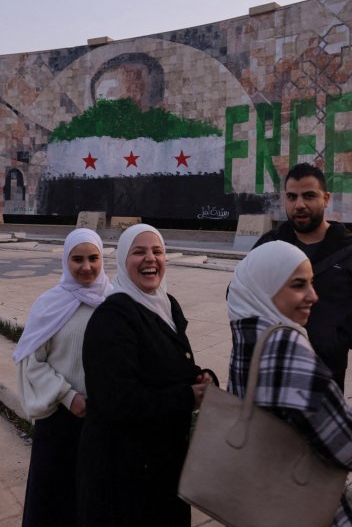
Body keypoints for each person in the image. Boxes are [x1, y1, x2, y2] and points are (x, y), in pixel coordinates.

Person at [226, 240, 352, 526]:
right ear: (267, 286)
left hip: (262, 490)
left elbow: (296, 413)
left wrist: (350, 421)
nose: (313, 296)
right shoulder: (284, 345)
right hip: (297, 500)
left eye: (312, 283)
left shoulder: (250, 331)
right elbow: (344, 444)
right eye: (298, 285)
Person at [76, 224, 215, 526]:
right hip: (124, 472)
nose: (150, 259)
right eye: (139, 252)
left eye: (158, 251)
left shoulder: (167, 305)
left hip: (164, 463)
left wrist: (201, 376)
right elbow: (117, 400)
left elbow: (174, 361)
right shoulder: (112, 317)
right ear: (124, 261)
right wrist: (187, 396)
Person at [254, 162, 352, 389]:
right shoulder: (269, 244)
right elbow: (238, 292)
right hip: (272, 369)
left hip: (325, 375)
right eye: (292, 197)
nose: (299, 204)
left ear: (326, 198)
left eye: (309, 196)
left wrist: (340, 340)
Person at [12, 228, 112, 527]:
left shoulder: (115, 301)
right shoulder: (49, 304)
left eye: (94, 258)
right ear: (65, 261)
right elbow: (32, 362)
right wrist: (69, 397)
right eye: (77, 259)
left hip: (103, 420)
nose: (87, 267)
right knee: (54, 501)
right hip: (60, 421)